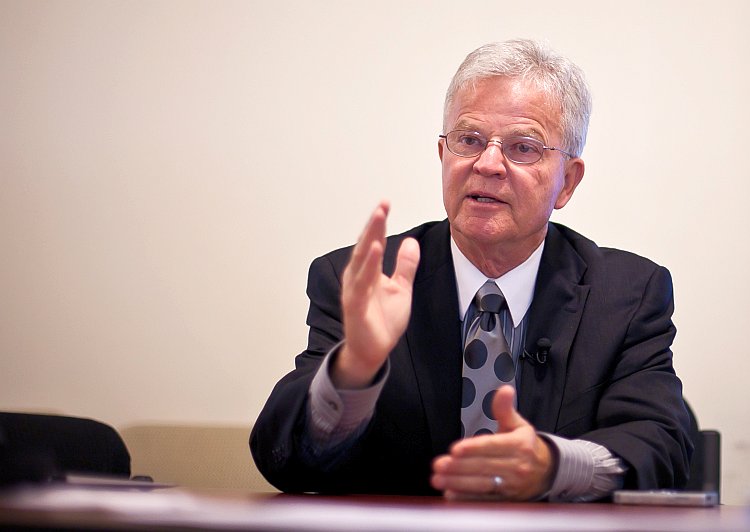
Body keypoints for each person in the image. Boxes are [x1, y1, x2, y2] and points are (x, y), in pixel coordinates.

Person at [250, 38, 692, 501]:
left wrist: (553, 466)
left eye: (523, 147)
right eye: (469, 140)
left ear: (568, 182)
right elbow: (284, 460)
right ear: (444, 156)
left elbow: (663, 446)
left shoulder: (626, 294)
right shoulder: (361, 279)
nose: (488, 164)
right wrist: (354, 370)